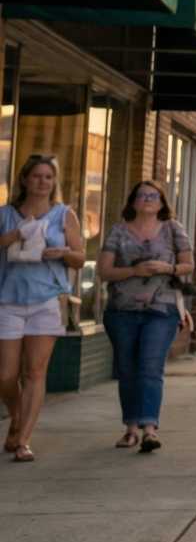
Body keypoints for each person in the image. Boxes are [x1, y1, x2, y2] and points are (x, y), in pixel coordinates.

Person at [1, 154, 86, 462]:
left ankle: (23, 440)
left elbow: (80, 257)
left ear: (54, 182)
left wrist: (63, 252)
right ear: (24, 179)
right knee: (6, 375)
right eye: (36, 176)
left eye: (48, 177)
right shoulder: (6, 214)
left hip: (46, 299)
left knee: (35, 372)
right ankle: (17, 416)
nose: (42, 182)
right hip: (7, 299)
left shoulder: (64, 215)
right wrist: (17, 235)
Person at [98, 180, 193, 453]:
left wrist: (166, 267)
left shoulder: (174, 229)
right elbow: (104, 271)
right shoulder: (118, 231)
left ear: (162, 203)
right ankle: (130, 428)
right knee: (127, 369)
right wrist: (133, 272)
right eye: (142, 195)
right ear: (133, 202)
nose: (148, 199)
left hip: (161, 310)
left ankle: (150, 428)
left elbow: (188, 266)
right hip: (121, 311)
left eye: (153, 196)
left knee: (151, 366)